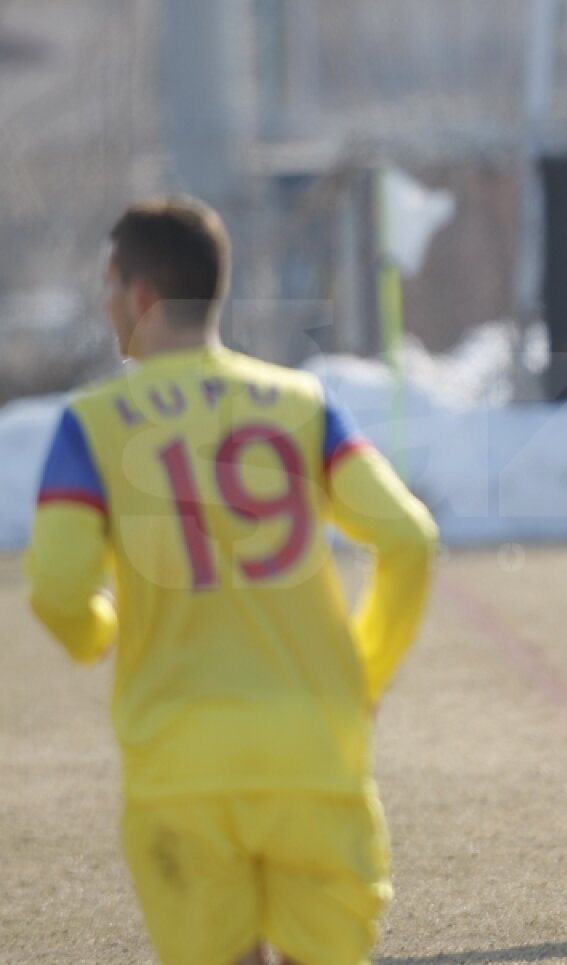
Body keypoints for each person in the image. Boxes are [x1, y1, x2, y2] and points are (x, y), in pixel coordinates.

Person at [24, 196, 438, 964]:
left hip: (179, 766)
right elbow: (408, 538)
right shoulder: (302, 404)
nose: (105, 299)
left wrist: (95, 632)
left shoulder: (93, 423)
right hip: (313, 752)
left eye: (110, 282)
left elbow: (54, 587)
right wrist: (362, 671)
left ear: (141, 296)